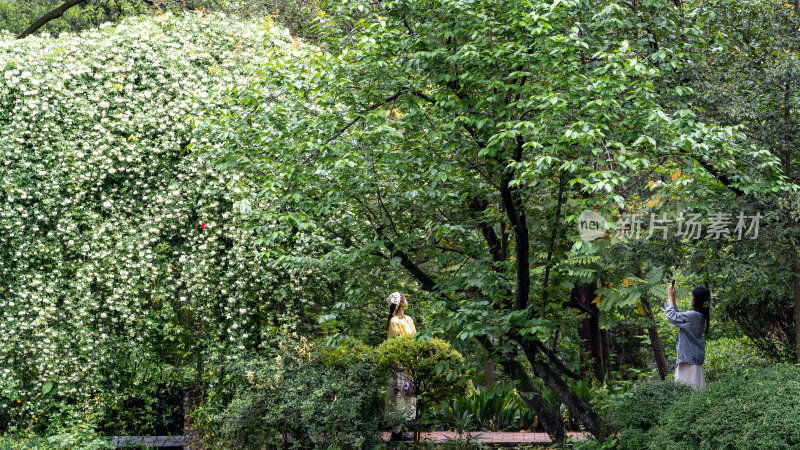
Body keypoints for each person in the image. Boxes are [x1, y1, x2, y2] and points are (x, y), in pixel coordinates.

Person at [665, 281, 710, 390]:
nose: (691, 299)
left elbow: (671, 317)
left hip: (688, 362)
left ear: (697, 300)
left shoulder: (693, 316)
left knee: (685, 394)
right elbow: (678, 317)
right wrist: (673, 298)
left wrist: (670, 296)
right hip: (692, 361)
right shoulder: (699, 316)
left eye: (692, 297)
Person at [384, 291, 416, 442]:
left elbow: (415, 338)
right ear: (399, 303)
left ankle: (400, 430)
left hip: (410, 364)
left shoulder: (408, 319)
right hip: (400, 365)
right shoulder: (394, 321)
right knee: (399, 397)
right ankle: (396, 433)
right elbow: (398, 344)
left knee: (407, 396)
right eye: (404, 298)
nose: (406, 300)